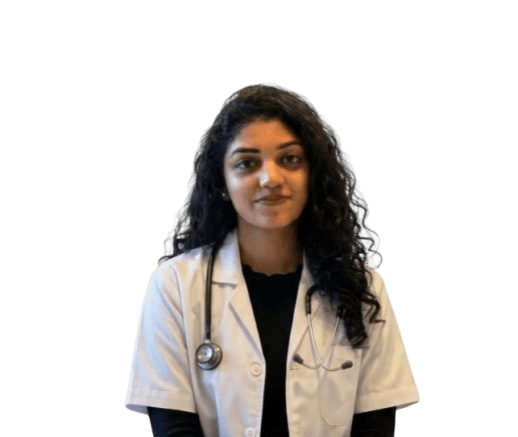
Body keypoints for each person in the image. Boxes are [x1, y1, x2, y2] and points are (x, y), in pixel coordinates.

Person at [124, 83, 420, 437]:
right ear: (222, 182)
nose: (270, 178)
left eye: (290, 159)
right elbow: (173, 426)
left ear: (312, 174)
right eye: (247, 163)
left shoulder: (363, 287)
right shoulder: (174, 285)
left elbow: (375, 425)